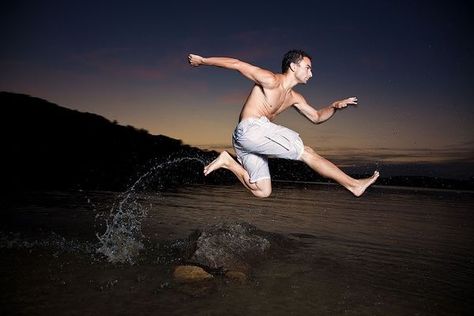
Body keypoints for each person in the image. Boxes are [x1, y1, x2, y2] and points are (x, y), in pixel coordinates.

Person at [188, 50, 379, 198]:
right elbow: (237, 64)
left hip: (248, 140)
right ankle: (354, 185)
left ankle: (227, 162)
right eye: (308, 67)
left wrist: (334, 107)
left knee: (262, 190)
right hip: (251, 128)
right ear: (293, 67)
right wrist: (203, 61)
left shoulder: (295, 97)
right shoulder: (270, 80)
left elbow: (317, 117)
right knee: (306, 152)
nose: (311, 73)